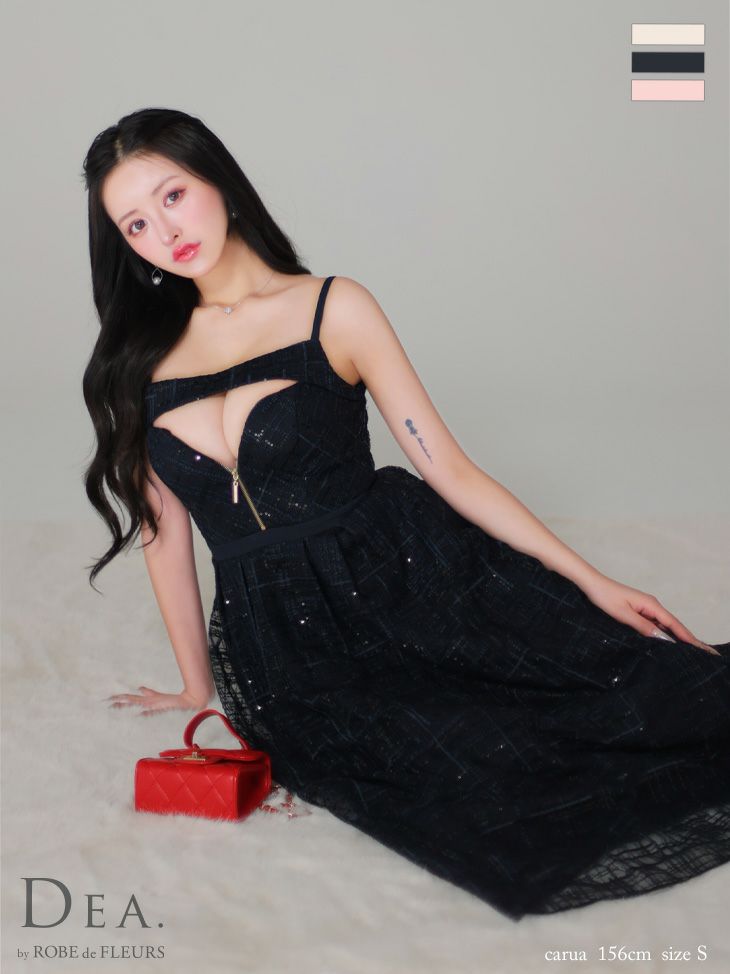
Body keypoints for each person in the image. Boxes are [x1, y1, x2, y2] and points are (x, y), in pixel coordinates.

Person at [82, 108, 730, 921]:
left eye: (173, 196)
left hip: (407, 579)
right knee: (453, 767)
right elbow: (163, 533)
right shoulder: (135, 363)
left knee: (621, 702)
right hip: (281, 643)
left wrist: (592, 580)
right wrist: (195, 683)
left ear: (220, 182)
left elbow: (447, 468)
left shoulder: (332, 308)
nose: (165, 231)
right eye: (136, 223)